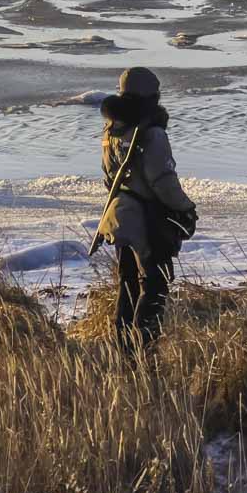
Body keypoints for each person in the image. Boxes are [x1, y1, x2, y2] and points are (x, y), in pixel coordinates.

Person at [95, 67, 197, 349]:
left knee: (127, 284)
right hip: (145, 220)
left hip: (117, 216)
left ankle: (123, 347)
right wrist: (186, 208)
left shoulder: (111, 129)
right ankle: (143, 351)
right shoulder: (151, 134)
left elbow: (107, 175)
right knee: (155, 284)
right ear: (152, 96)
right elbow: (163, 181)